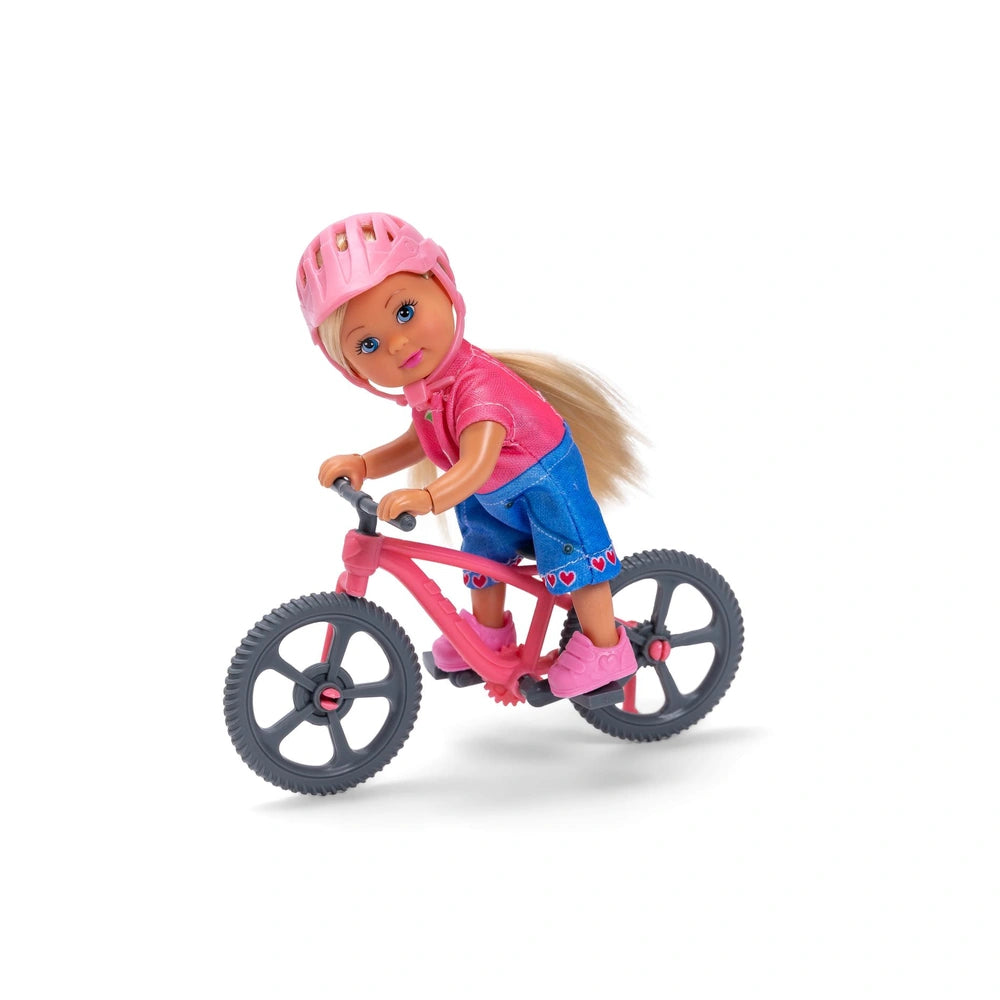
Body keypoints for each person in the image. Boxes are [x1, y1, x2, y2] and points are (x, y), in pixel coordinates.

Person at [296, 213, 644, 698]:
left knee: (577, 562)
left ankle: (607, 648)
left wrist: (428, 497)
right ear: (350, 367)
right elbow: (420, 440)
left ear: (442, 287)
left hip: (543, 483)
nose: (397, 343)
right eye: (368, 344)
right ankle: (488, 634)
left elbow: (477, 462)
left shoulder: (479, 388)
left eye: (405, 312)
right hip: (490, 490)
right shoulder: (430, 389)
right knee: (481, 554)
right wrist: (366, 464)